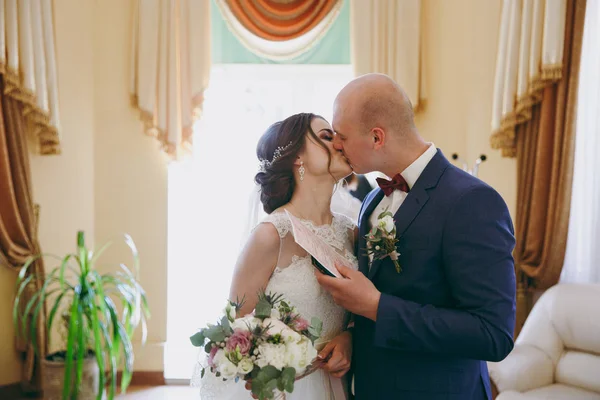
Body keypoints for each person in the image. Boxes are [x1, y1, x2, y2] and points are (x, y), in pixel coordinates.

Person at [316, 73, 517, 399]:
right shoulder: (373, 199)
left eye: (342, 136)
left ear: (377, 138)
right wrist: (354, 336)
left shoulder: (472, 202)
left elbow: (493, 334)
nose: (336, 145)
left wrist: (378, 307)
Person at [192, 113, 356, 399]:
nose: (340, 144)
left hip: (337, 384)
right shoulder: (271, 235)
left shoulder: (350, 232)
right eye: (326, 137)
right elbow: (237, 326)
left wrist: (349, 337)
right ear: (297, 158)